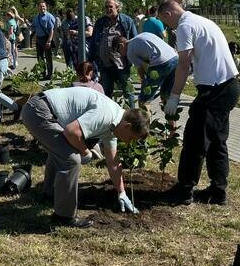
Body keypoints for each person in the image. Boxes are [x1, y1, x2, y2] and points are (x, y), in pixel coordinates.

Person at [21, 87, 149, 228]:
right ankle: (64, 217)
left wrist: (122, 193)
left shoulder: (114, 125)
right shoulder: (106, 114)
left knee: (62, 151)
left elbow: (113, 162)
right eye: (131, 138)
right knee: (71, 159)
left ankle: (49, 194)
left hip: (42, 110)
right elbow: (72, 132)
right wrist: (85, 152)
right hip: (38, 111)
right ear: (127, 126)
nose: (128, 142)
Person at [158, 0, 240, 206]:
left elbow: (183, 64)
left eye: (165, 23)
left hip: (215, 90)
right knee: (217, 140)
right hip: (229, 86)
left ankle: (184, 190)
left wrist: (175, 95)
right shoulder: (203, 21)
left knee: (195, 139)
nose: (169, 28)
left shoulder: (185, 26)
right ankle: (218, 191)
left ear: (168, 14)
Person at [89, 0, 138, 108]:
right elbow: (93, 42)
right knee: (106, 93)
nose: (108, 9)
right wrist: (90, 60)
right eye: (106, 7)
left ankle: (132, 115)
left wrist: (134, 59)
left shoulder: (126, 21)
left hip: (122, 65)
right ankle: (109, 117)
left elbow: (134, 40)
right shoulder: (100, 22)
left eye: (110, 6)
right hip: (104, 65)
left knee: (128, 91)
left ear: (117, 7)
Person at [117, 32, 178, 107]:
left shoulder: (130, 51)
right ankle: (171, 117)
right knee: (166, 95)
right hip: (175, 58)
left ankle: (143, 116)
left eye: (118, 51)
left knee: (144, 99)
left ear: (121, 45)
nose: (120, 54)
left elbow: (140, 69)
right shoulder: (142, 35)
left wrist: (144, 82)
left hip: (161, 63)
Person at [32, 1, 56, 79]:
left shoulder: (49, 16)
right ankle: (43, 73)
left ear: (46, 7)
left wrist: (49, 41)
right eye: (40, 6)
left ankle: (49, 75)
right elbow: (34, 28)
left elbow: (52, 30)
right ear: (38, 7)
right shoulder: (36, 17)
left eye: (43, 6)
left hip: (46, 38)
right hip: (39, 39)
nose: (42, 8)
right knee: (40, 57)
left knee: (48, 58)